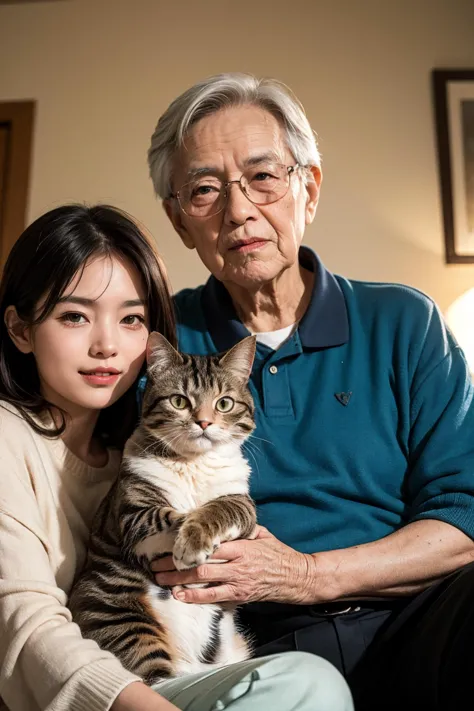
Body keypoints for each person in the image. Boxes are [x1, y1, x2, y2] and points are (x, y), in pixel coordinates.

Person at [147, 72, 474, 711]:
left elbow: (465, 518)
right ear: (179, 221)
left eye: (264, 177)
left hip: (417, 623)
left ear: (309, 188)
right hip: (252, 645)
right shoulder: (158, 340)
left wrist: (307, 575)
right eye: (205, 190)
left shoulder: (404, 323)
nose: (240, 211)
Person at [0, 203, 352, 711]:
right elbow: (26, 626)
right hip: (105, 692)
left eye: (131, 319)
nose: (106, 345)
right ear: (21, 330)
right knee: (306, 684)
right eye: (74, 315)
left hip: (183, 663)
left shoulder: (136, 450)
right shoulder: (10, 436)